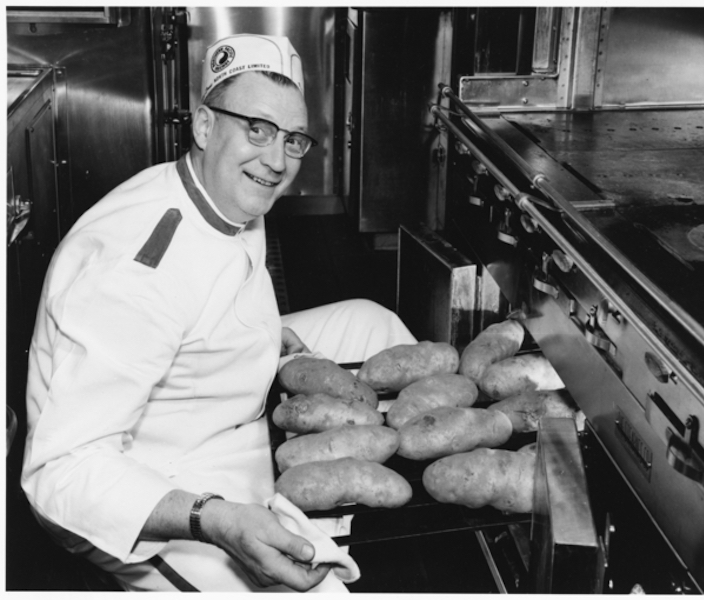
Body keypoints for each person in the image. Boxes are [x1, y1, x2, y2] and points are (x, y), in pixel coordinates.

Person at [21, 34, 417, 592]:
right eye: (256, 128)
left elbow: (213, 294)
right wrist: (214, 517)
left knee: (370, 322)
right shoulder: (133, 275)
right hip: (156, 477)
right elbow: (59, 473)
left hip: (216, 399)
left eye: (293, 139)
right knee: (315, 588)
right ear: (205, 126)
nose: (277, 160)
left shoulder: (223, 192)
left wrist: (261, 336)